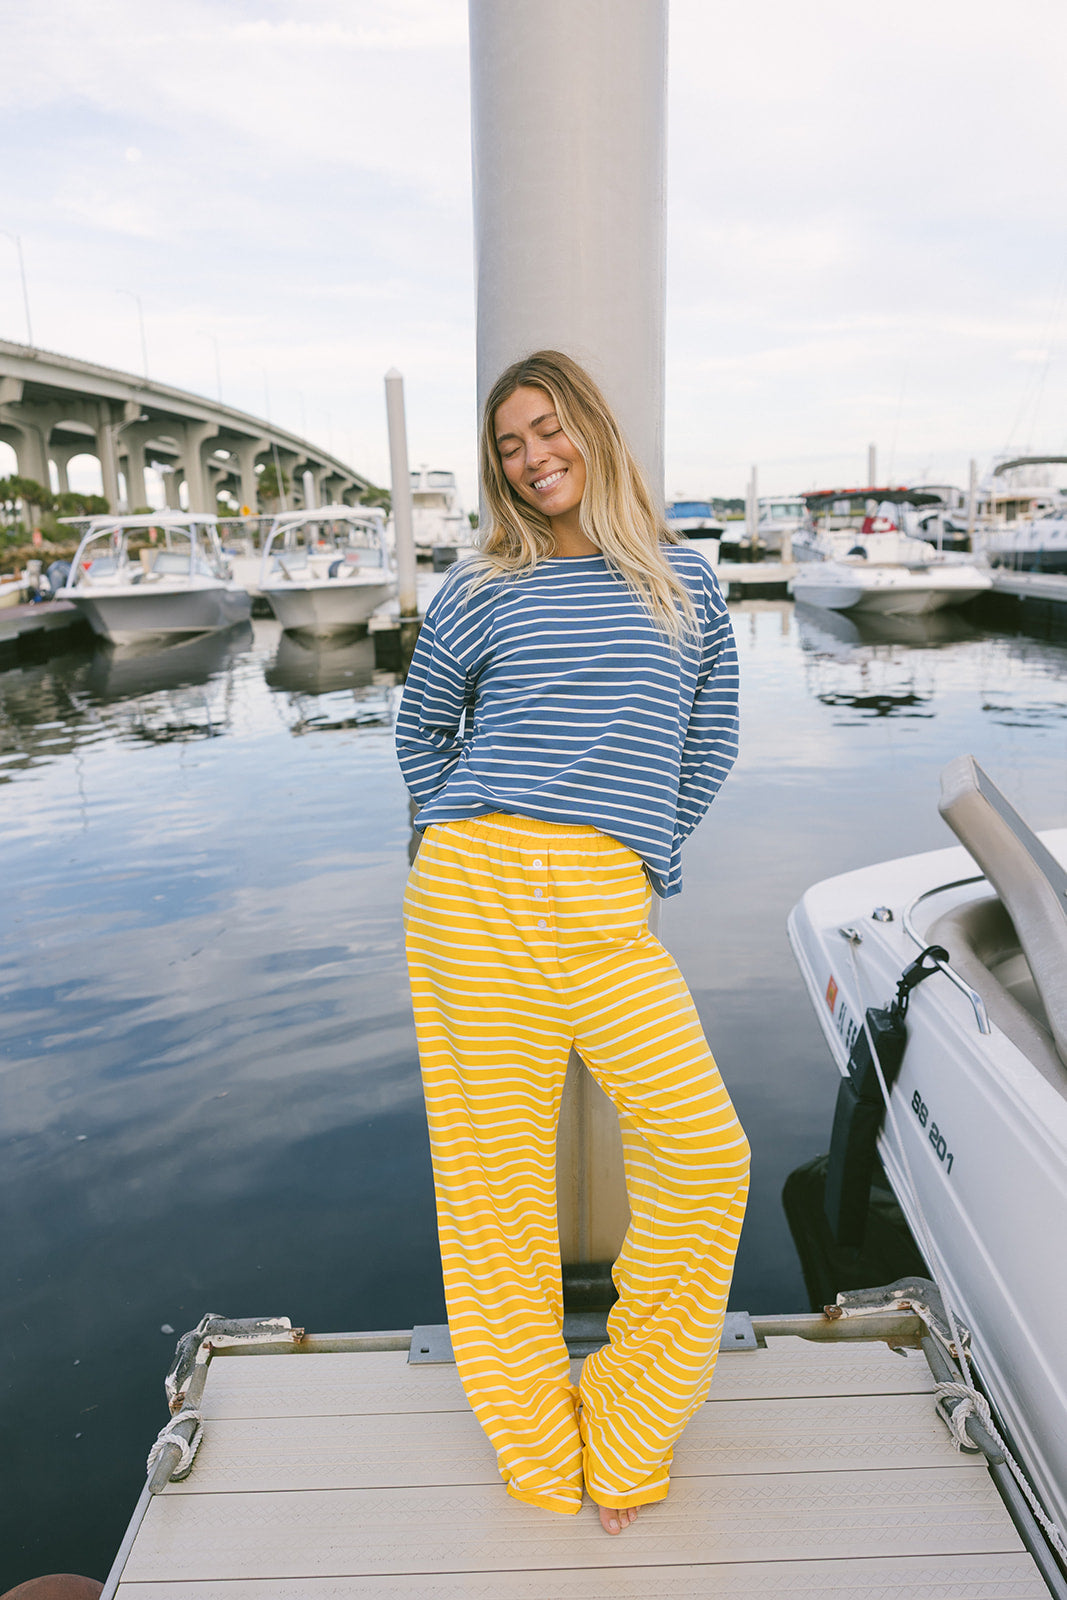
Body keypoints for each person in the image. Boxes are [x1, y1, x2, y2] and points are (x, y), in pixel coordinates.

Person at [396, 350, 749, 1536]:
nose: (534, 456)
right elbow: (419, 731)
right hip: (472, 891)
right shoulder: (481, 586)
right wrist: (455, 830)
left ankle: (627, 1420)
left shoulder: (684, 588)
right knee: (494, 1196)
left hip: (606, 908)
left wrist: (635, 849)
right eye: (509, 443)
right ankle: (544, 1453)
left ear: (592, 430)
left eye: (549, 429)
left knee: (707, 1162)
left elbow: (705, 747)